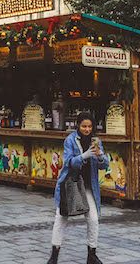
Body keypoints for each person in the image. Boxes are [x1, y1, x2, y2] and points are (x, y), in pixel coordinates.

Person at [48, 113, 108, 264]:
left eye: (89, 126)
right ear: (78, 126)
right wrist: (85, 155)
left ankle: (92, 254)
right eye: (84, 126)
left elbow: (104, 165)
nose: (87, 129)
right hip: (71, 183)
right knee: (61, 218)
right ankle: (54, 256)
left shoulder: (96, 141)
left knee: (93, 219)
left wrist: (100, 155)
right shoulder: (70, 140)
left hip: (88, 185)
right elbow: (69, 163)